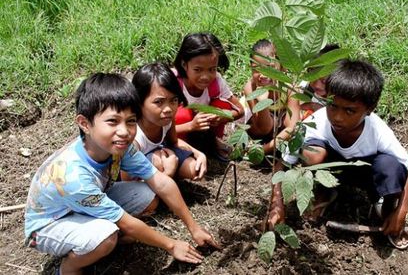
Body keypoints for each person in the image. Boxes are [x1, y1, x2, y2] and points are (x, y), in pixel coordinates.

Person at [24, 73, 220, 275]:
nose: (124, 131)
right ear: (84, 124)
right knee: (106, 237)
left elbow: (160, 182)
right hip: (50, 225)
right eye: (112, 121)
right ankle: (69, 267)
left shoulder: (120, 147)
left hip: (87, 202)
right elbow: (125, 221)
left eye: (131, 121)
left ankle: (101, 237)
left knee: (148, 196)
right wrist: (172, 245)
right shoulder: (74, 176)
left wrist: (194, 227)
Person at [271, 59, 408, 250]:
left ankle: (386, 212)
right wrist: (277, 203)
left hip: (365, 174)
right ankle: (323, 191)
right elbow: (282, 162)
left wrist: (401, 210)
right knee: (312, 154)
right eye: (333, 106)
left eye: (350, 110)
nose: (338, 117)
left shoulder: (377, 131)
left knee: (391, 166)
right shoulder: (316, 122)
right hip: (330, 170)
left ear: (369, 109)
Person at [173, 32, 244, 161]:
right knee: (183, 113)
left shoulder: (216, 82)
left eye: (212, 69)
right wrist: (190, 125)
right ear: (184, 64)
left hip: (203, 132)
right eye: (198, 70)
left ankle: (212, 143)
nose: (205, 77)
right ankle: (180, 149)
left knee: (221, 106)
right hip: (173, 134)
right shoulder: (172, 82)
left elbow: (239, 111)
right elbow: (155, 125)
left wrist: (222, 116)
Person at [131, 61, 207, 181]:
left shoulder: (166, 121)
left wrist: (199, 154)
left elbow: (175, 142)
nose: (168, 109)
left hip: (161, 153)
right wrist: (168, 173)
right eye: (158, 102)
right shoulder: (134, 137)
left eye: (173, 100)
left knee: (194, 169)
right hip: (135, 174)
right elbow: (127, 180)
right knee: (157, 163)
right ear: (139, 102)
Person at [241, 39, 301, 155]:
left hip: (277, 121)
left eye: (269, 68)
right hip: (259, 125)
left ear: (282, 68)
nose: (263, 75)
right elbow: (263, 129)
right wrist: (263, 103)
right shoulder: (250, 88)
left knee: (297, 123)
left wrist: (264, 150)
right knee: (268, 125)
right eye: (256, 69)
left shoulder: (290, 89)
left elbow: (291, 127)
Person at [299, 43, 341, 119]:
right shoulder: (305, 88)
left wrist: (318, 109)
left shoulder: (343, 98)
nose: (316, 85)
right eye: (312, 76)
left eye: (324, 81)